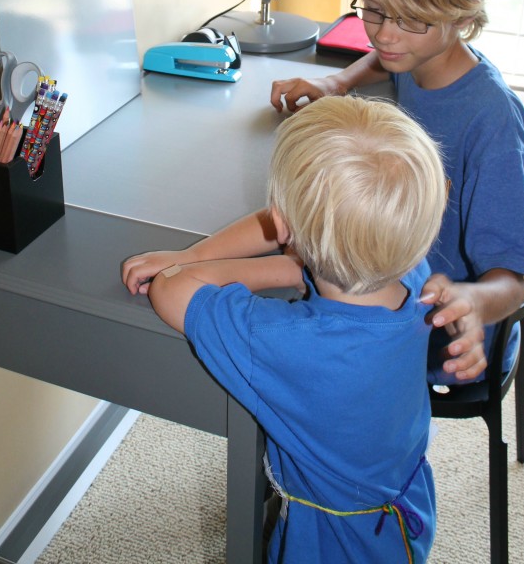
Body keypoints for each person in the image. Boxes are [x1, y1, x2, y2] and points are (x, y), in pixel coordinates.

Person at [124, 0, 524, 383]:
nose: (384, 33)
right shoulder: (421, 54)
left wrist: (470, 300)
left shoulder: (494, 122)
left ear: (462, 16)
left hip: (443, 321)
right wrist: (335, 83)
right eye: (374, 11)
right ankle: (198, 261)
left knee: (290, 347)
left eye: (409, 20)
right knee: (311, 222)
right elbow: (384, 58)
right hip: (381, 262)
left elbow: (510, 282)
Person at [128, 96, 446, 564]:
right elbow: (305, 266)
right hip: (401, 509)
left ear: (281, 223)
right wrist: (297, 263)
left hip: (329, 544)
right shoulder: (414, 275)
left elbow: (171, 292)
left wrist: (188, 261)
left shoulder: (286, 343)